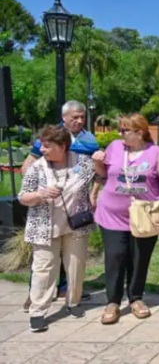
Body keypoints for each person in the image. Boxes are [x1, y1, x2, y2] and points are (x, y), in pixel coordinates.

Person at [21, 101, 99, 307]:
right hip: (49, 208)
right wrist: (33, 188)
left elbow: (97, 171)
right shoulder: (51, 136)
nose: (80, 120)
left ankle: (67, 291)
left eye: (82, 117)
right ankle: (35, 295)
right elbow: (29, 163)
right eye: (75, 117)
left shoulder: (89, 139)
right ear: (64, 117)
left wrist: (93, 193)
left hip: (76, 207)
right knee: (45, 257)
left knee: (73, 255)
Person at [92, 114, 159, 324]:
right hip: (112, 214)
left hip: (143, 215)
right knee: (115, 256)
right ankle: (112, 302)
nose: (120, 134)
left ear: (139, 132)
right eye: (120, 129)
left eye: (124, 130)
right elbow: (104, 174)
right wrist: (97, 167)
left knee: (139, 258)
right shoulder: (115, 147)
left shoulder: (156, 153)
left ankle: (136, 298)